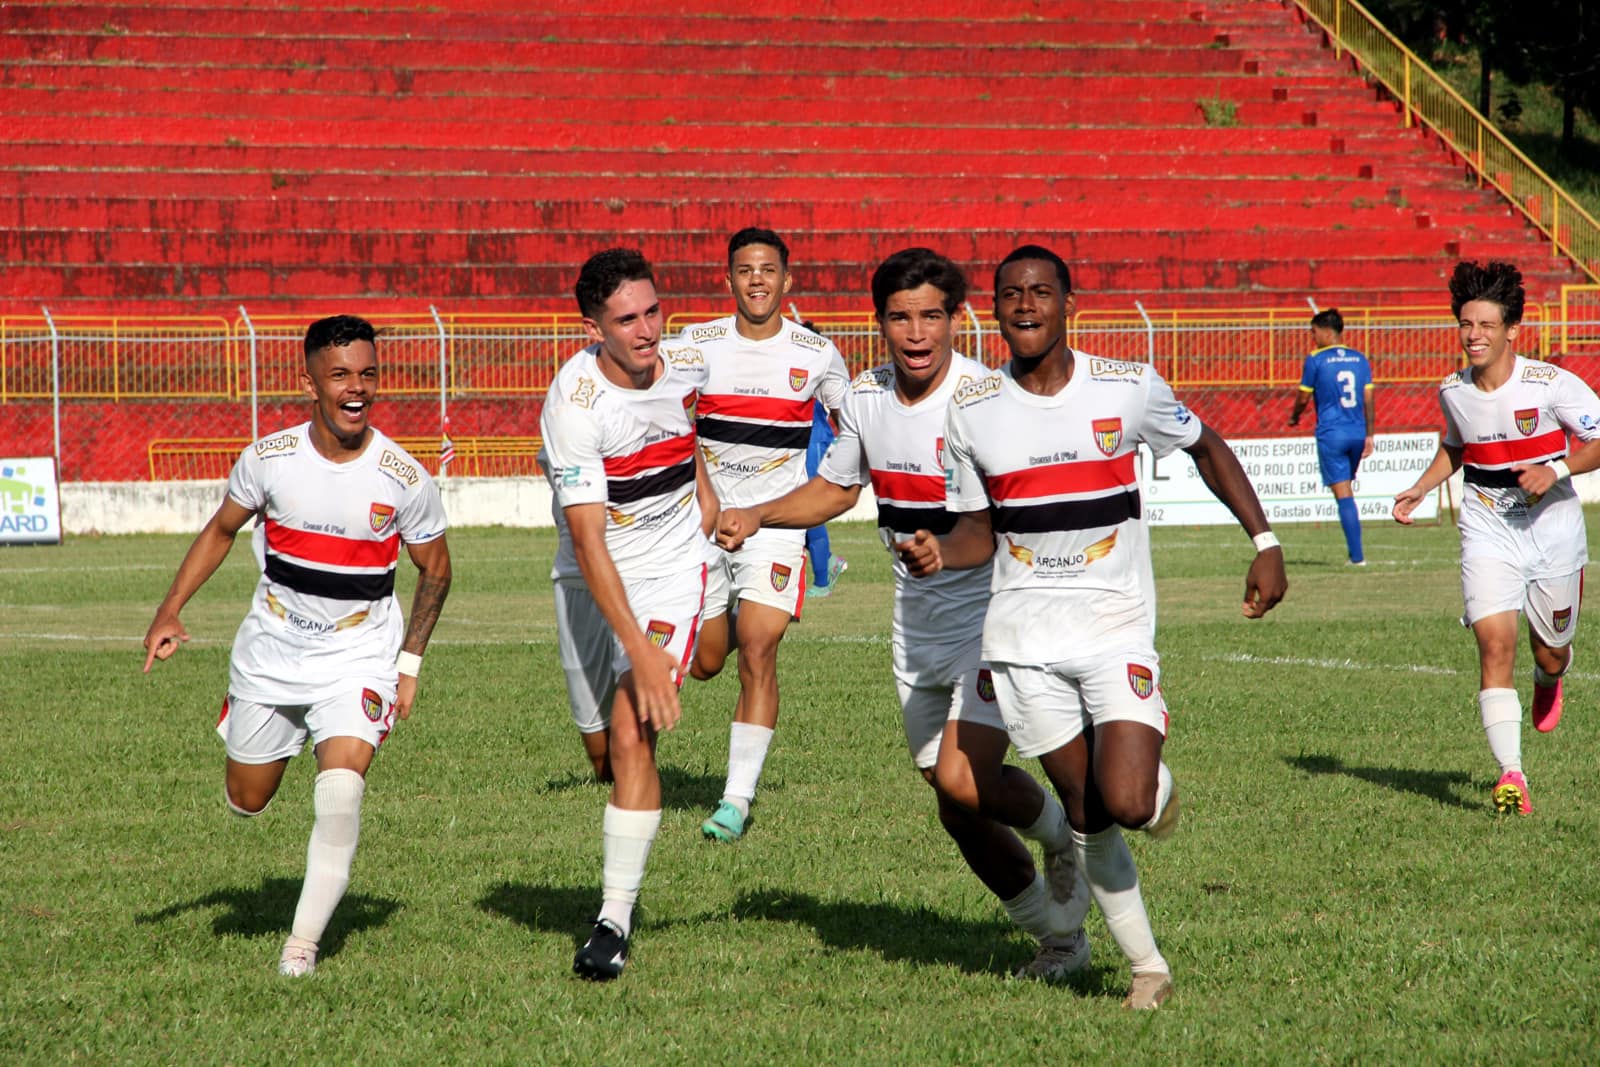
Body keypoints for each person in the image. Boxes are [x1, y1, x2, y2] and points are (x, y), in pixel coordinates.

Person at [898, 245, 1287, 1009]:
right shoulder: (972, 410)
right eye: (1011, 294)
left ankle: (1156, 787)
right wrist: (943, 549)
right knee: (1083, 809)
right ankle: (1147, 967)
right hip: (1021, 642)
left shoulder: (1126, 385)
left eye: (1041, 291)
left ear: (1068, 302)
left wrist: (1264, 542)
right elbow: (981, 526)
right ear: (996, 309)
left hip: (1113, 626)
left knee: (1130, 800)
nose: (1026, 305)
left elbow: (1206, 445)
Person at [716, 248, 1091, 980]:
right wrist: (759, 513)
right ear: (879, 321)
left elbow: (1009, 518)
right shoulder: (864, 398)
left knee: (960, 777)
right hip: (916, 621)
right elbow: (837, 488)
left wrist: (953, 553)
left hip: (994, 613)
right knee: (955, 803)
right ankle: (1060, 937)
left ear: (957, 319)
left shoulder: (989, 398)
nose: (916, 332)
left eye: (930, 315)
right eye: (899, 316)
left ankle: (1062, 835)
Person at [141, 314, 452, 978]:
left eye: (367, 374)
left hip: (358, 652)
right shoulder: (269, 459)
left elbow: (438, 569)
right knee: (246, 798)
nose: (356, 388)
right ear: (308, 380)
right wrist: (170, 608)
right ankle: (248, 725)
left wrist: (409, 662)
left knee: (341, 787)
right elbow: (222, 530)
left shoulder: (404, 476)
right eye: (340, 374)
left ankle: (300, 948)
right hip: (273, 647)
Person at [540, 247, 715, 980]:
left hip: (673, 569)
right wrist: (634, 648)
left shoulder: (686, 366)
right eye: (627, 320)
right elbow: (587, 540)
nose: (648, 331)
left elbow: (689, 423)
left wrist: (704, 488)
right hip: (592, 570)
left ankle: (612, 920)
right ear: (593, 328)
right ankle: (696, 652)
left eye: (652, 310)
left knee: (629, 729)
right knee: (601, 753)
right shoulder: (574, 404)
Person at [1393, 261, 1600, 816]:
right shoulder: (1453, 391)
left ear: (1512, 330)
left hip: (1553, 532)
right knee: (1493, 644)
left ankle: (1549, 675)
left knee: (1551, 650)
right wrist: (1419, 488)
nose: (1473, 335)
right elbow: (1458, 448)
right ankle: (1512, 775)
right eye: (1466, 323)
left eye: (1485, 324)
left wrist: (1555, 470)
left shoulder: (1551, 383)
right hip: (1487, 527)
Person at [685, 228, 850, 843]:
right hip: (703, 524)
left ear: (788, 280)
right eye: (745, 270)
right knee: (704, 663)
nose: (757, 280)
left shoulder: (815, 353)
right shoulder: (695, 345)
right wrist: (705, 497)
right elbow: (669, 415)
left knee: (758, 647)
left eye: (768, 270)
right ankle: (718, 621)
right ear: (727, 279)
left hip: (776, 526)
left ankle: (736, 800)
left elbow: (854, 422)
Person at [1290, 308, 1376, 565]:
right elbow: (1369, 400)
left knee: (1344, 494)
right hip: (1358, 433)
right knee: (1347, 489)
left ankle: (1357, 558)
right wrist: (1370, 434)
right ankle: (1356, 555)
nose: (1312, 337)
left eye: (1314, 332)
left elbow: (1304, 396)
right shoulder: (1360, 359)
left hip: (1332, 434)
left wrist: (1295, 416)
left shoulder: (1315, 359)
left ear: (1327, 332)